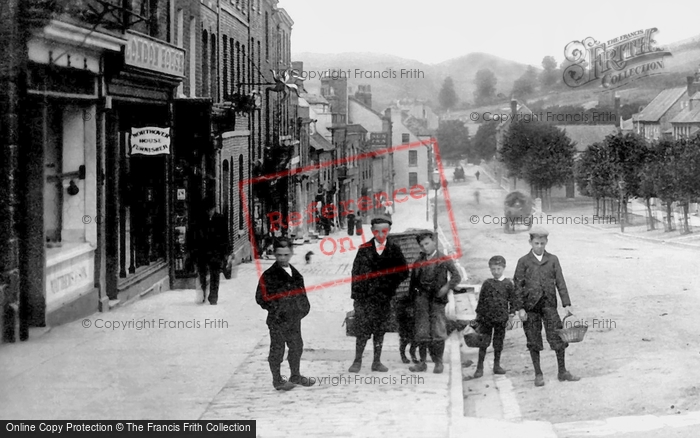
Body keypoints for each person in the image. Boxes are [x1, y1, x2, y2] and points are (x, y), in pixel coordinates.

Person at [513, 226, 580, 387]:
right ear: (530, 242)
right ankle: (538, 374)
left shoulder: (553, 260)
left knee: (557, 336)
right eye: (536, 243)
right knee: (533, 339)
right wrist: (520, 308)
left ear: (547, 242)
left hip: (549, 305)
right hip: (530, 307)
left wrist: (567, 303)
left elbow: (560, 282)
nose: (539, 246)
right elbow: (517, 286)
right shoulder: (523, 262)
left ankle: (562, 371)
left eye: (542, 243)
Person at [349, 215, 408, 373]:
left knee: (380, 329)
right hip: (365, 299)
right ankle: (357, 360)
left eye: (384, 231)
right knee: (362, 330)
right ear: (372, 231)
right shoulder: (364, 249)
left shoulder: (394, 249)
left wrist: (390, 286)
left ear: (389, 230)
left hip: (384, 298)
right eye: (377, 231)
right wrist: (356, 298)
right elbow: (355, 274)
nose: (381, 234)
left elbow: (404, 272)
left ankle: (376, 361)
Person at [255, 238, 315, 391]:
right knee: (277, 348)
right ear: (274, 254)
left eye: (286, 254)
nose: (283, 258)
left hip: (294, 318)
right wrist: (276, 308)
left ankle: (295, 375)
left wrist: (303, 309)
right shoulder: (269, 275)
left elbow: (302, 294)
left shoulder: (295, 274)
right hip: (277, 319)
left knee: (296, 346)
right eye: (279, 255)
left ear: (292, 253)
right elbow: (260, 297)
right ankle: (277, 380)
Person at [408, 231, 461, 374]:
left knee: (438, 331)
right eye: (422, 245)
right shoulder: (418, 261)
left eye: (427, 243)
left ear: (434, 242)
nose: (425, 247)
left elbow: (457, 276)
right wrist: (412, 301)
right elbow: (412, 284)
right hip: (422, 300)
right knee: (422, 332)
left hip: (437, 299)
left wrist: (446, 287)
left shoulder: (444, 259)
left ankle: (438, 363)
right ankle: (423, 363)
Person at [473, 256, 518, 378]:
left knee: (498, 342)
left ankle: (496, 365)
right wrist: (478, 317)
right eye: (493, 269)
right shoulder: (487, 283)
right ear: (490, 269)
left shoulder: (508, 284)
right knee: (483, 342)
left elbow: (513, 301)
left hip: (501, 319)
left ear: (503, 268)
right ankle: (479, 367)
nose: (496, 272)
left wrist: (511, 316)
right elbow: (481, 301)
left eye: (498, 269)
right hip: (486, 319)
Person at [194, 196, 231, 305]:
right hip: (203, 252)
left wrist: (226, 252)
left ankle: (213, 296)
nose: (210, 212)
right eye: (208, 210)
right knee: (202, 274)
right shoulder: (200, 220)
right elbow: (196, 237)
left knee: (215, 274)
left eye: (212, 209)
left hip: (216, 252)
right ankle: (204, 292)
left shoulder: (220, 219)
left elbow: (225, 236)